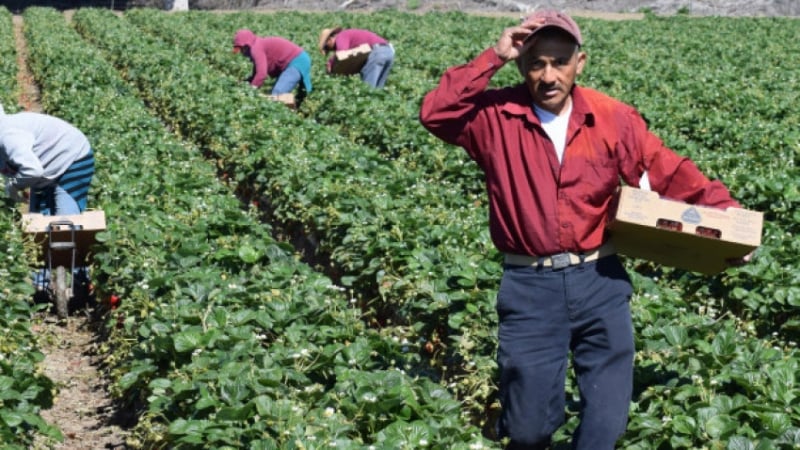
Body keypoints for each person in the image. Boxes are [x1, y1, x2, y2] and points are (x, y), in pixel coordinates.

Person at [419, 10, 751, 450]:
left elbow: (667, 173)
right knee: (530, 429)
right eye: (536, 63)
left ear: (581, 62)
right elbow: (436, 113)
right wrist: (493, 57)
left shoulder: (612, 118)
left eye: (560, 62)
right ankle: (516, 421)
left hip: (600, 279)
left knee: (605, 426)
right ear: (522, 65)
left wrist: (729, 219)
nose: (548, 75)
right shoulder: (495, 117)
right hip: (529, 285)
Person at [1, 105, 94, 216]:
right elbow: (8, 169)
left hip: (73, 158)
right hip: (45, 166)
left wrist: (14, 185)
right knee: (36, 221)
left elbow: (32, 171)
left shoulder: (8, 136)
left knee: (65, 222)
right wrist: (13, 187)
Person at [232, 29, 312, 103]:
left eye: (241, 50)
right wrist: (245, 83)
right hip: (296, 60)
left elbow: (261, 74)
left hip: (297, 61)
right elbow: (256, 74)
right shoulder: (257, 45)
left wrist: (251, 90)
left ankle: (289, 111)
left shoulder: (256, 49)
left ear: (246, 46)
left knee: (278, 93)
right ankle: (294, 108)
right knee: (281, 95)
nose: (242, 53)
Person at [318, 27, 395, 88]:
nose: (331, 50)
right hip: (389, 52)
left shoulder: (341, 37)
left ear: (329, 39)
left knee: (368, 89)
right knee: (378, 90)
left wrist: (330, 63)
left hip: (377, 52)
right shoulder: (348, 35)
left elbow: (341, 54)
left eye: (327, 47)